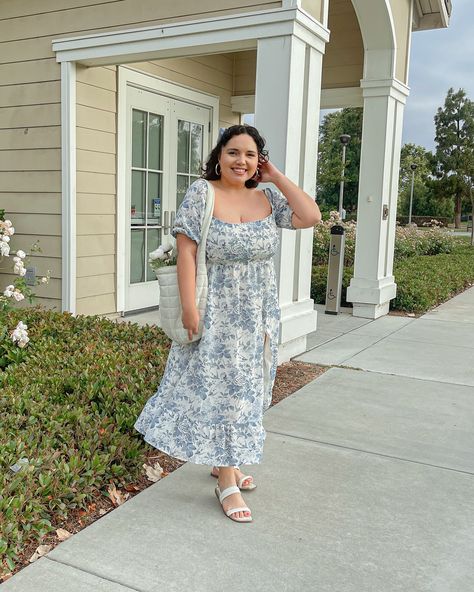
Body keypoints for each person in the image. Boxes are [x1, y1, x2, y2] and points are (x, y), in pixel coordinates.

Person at [134, 124, 321, 523]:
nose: (242, 161)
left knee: (247, 390)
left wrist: (277, 177)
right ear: (219, 156)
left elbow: (310, 216)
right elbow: (186, 252)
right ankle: (227, 482)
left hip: (257, 317)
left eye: (251, 155)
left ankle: (226, 464)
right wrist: (189, 309)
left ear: (260, 161)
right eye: (234, 152)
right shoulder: (202, 193)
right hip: (214, 312)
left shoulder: (267, 197)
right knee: (223, 392)